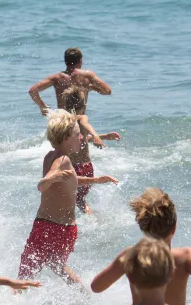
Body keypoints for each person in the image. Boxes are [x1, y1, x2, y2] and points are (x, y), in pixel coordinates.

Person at [18, 110, 117, 283]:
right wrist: (51, 178)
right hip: (59, 229)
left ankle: (15, 301)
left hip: (48, 226)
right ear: (66, 139)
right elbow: (42, 185)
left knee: (28, 270)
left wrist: (96, 180)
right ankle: (84, 299)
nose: (81, 138)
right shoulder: (62, 160)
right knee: (57, 266)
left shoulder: (51, 156)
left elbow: (68, 179)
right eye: (78, 135)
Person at [63, 89, 121, 214]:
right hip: (88, 168)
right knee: (79, 201)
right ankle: (91, 223)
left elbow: (83, 131)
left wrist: (98, 136)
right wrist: (99, 136)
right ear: (84, 105)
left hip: (74, 168)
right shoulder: (81, 117)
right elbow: (82, 137)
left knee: (73, 201)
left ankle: (83, 224)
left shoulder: (64, 122)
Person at [27, 47, 112, 116]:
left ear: (65, 61)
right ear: (80, 61)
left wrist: (43, 106)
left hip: (63, 122)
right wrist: (92, 87)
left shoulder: (56, 78)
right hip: (78, 121)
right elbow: (107, 91)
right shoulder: (87, 75)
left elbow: (32, 91)